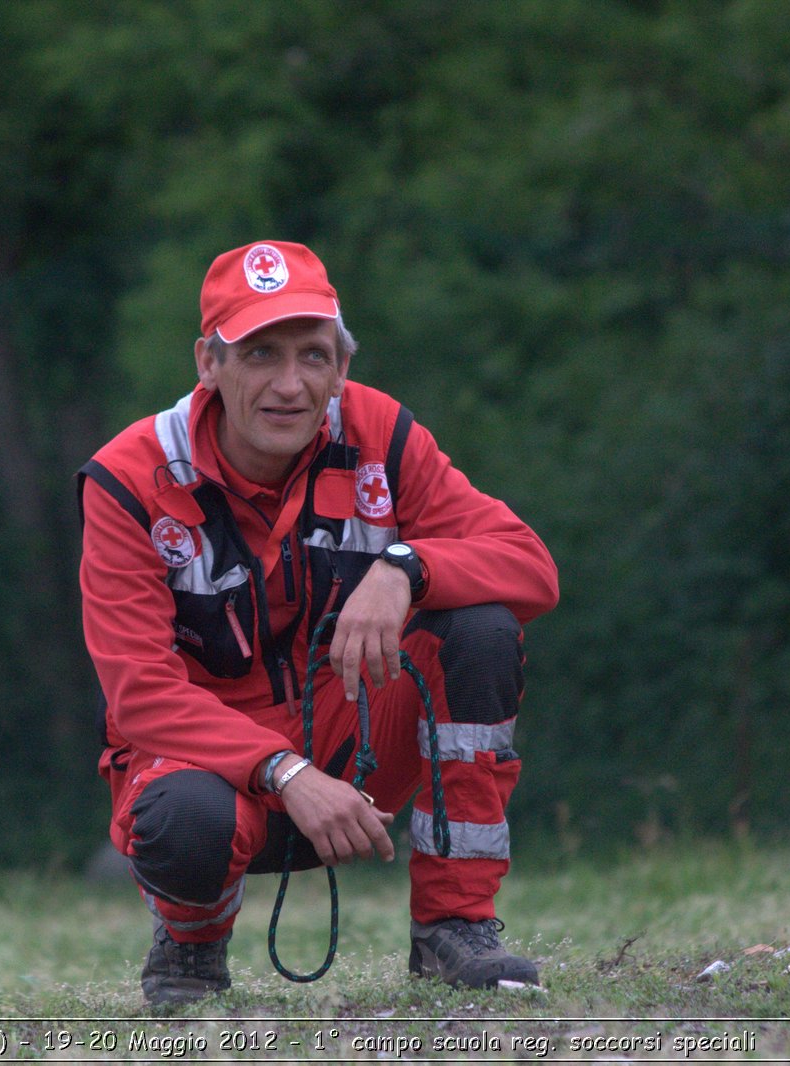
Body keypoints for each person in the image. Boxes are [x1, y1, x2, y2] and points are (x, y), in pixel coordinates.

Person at [76, 240, 559, 1006]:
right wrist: (286, 772)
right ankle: (191, 948)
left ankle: (454, 926)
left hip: (354, 744)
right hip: (207, 774)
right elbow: (139, 695)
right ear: (209, 363)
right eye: (260, 353)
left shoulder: (381, 434)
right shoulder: (127, 478)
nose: (290, 384)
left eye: (313, 354)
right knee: (184, 819)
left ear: (341, 368)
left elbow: (530, 564)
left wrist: (405, 568)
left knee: (481, 630)